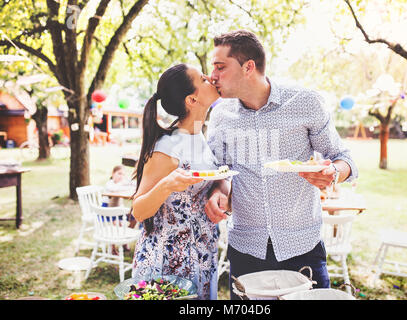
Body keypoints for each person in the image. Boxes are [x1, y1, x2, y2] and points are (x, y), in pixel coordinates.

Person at [204, 30, 359, 299]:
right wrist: (219, 192)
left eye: (220, 67)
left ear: (248, 67)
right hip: (245, 248)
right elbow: (221, 172)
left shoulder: (305, 102)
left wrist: (333, 173)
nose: (212, 75)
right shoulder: (220, 115)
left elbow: (345, 159)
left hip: (303, 248)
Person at [131, 63, 221, 300]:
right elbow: (139, 211)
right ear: (192, 100)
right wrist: (167, 184)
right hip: (168, 265)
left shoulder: (199, 136)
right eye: (203, 79)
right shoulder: (167, 148)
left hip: (201, 257)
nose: (211, 77)